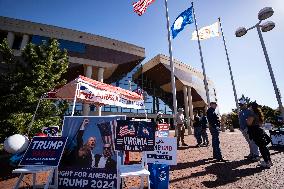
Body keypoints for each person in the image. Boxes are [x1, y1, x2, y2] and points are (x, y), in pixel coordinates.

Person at [247, 102, 272, 168]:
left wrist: (247, 120)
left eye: (249, 107)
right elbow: (260, 124)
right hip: (259, 131)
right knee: (264, 147)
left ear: (251, 107)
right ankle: (269, 161)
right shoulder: (259, 114)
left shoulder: (252, 114)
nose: (249, 108)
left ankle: (267, 162)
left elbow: (249, 123)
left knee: (261, 147)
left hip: (255, 132)